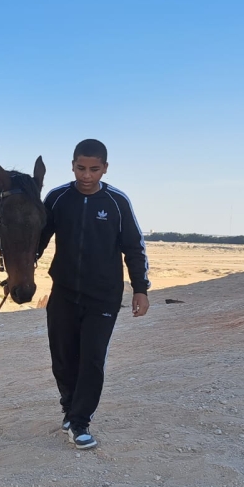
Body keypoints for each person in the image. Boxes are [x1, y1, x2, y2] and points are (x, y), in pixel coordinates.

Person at [36, 139, 150, 449]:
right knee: (62, 359)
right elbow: (38, 238)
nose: (87, 176)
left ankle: (80, 421)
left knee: (92, 360)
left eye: (94, 170)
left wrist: (140, 289)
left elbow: (134, 247)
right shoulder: (58, 198)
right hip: (63, 294)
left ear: (105, 169)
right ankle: (70, 408)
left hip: (104, 296)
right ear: (72, 166)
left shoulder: (116, 201)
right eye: (81, 168)